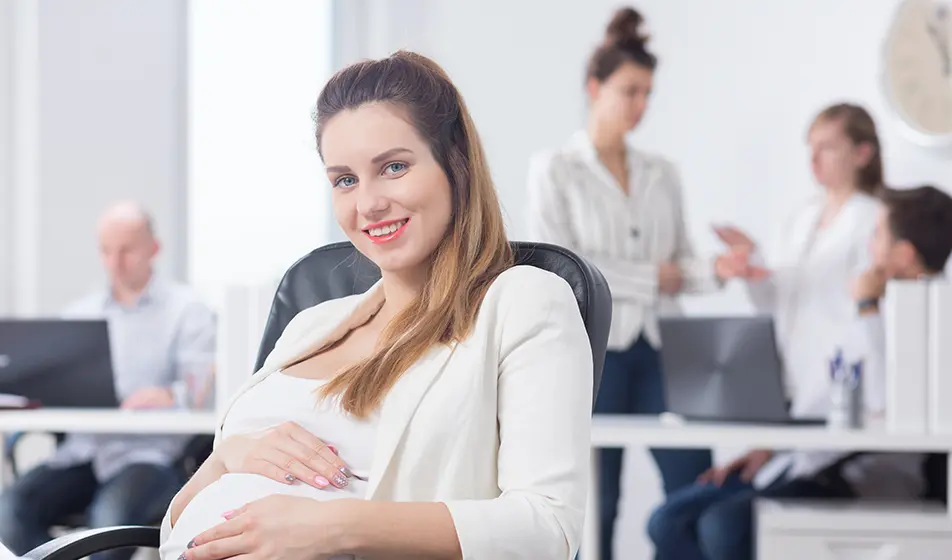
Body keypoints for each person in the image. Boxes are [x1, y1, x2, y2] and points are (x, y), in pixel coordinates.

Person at [160, 51, 594, 560]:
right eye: (344, 179)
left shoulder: (522, 303)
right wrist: (227, 458)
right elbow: (172, 531)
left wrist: (335, 527)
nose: (367, 204)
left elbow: (547, 528)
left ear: (455, 163)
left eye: (393, 167)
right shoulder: (310, 323)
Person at [525, 8, 755, 558]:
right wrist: (658, 277)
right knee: (594, 503)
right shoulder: (555, 168)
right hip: (594, 352)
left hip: (662, 350)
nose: (640, 106)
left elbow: (681, 263)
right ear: (594, 87)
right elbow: (565, 265)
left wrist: (717, 271)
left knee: (693, 487)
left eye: (648, 93)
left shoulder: (662, 173)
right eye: (630, 91)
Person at [646, 184, 952, 559]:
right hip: (809, 458)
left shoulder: (932, 316)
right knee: (668, 520)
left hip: (860, 476)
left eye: (877, 234)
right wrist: (770, 449)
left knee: (723, 525)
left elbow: (878, 402)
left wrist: (868, 306)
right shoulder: (867, 308)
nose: (869, 244)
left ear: (903, 255)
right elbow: (830, 392)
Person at [0, 202, 217, 560]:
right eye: (106, 251)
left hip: (150, 456)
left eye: (127, 250)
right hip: (84, 452)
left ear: (153, 249)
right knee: (10, 509)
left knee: (108, 521)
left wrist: (170, 394)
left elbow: (202, 393)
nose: (115, 262)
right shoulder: (79, 314)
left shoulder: (187, 310)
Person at [713, 103, 884, 420]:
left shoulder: (875, 220)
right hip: (789, 376)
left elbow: (868, 312)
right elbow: (772, 304)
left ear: (862, 154)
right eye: (811, 146)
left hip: (838, 379)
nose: (814, 158)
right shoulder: (798, 219)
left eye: (828, 147)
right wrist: (753, 270)